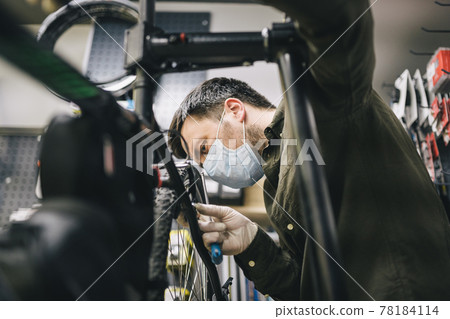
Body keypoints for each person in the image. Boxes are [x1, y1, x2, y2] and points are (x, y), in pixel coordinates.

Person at [168, 0, 450, 301]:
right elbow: (304, 292)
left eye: (205, 148)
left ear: (235, 110)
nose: (209, 167)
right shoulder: (274, 184)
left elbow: (340, 20)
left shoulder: (317, 102)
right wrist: (250, 241)